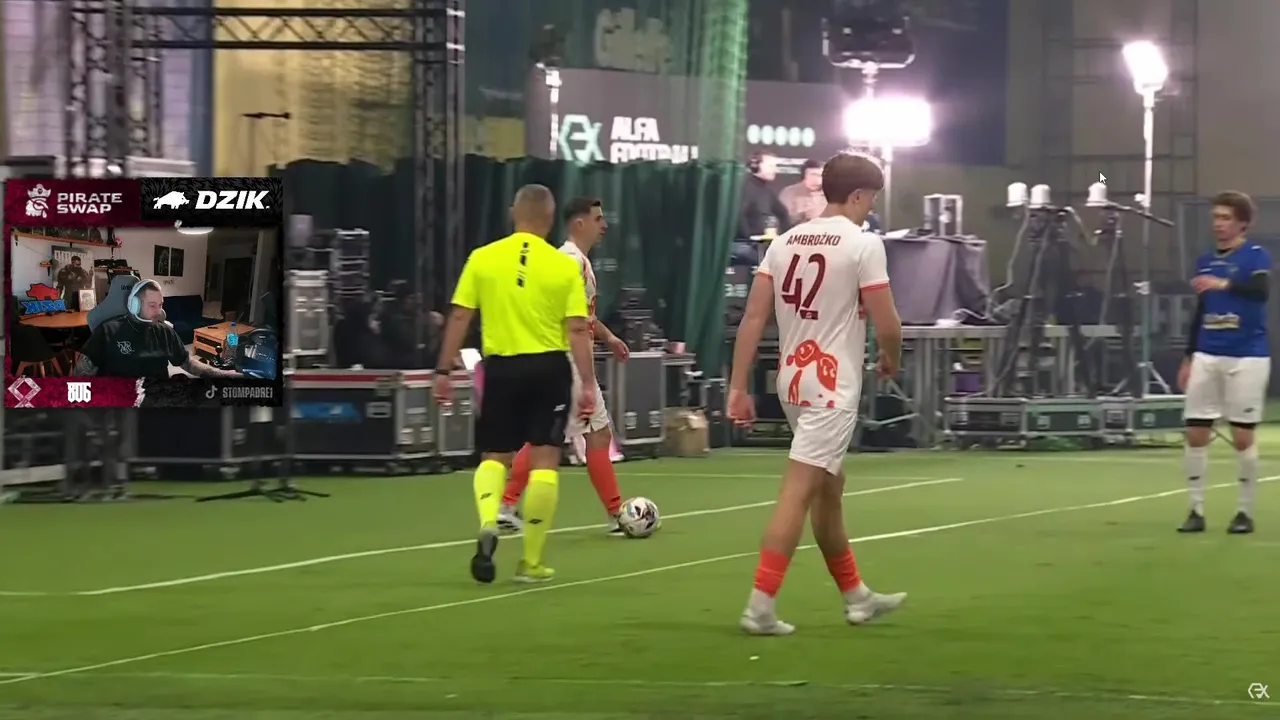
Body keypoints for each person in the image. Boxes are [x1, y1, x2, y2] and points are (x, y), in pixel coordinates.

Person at [726, 153, 907, 635]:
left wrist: (738, 385)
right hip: (832, 385)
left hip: (792, 380)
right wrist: (891, 357)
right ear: (857, 196)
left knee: (829, 487)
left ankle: (856, 596)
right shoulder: (863, 244)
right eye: (871, 199)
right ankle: (760, 606)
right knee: (800, 491)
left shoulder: (785, 241)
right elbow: (889, 322)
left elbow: (753, 317)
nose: (871, 208)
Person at [433, 184, 596, 585]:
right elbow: (577, 329)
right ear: (550, 219)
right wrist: (588, 383)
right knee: (544, 460)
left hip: (501, 368)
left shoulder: (483, 258)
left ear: (513, 213)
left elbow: (459, 315)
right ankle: (531, 562)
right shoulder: (563, 266)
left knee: (495, 455)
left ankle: (489, 520)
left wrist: (443, 371)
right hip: (548, 368)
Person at [497, 197, 631, 536]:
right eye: (598, 219)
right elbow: (570, 320)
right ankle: (507, 505)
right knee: (579, 436)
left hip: (556, 357)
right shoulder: (571, 261)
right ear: (578, 223)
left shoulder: (571, 260)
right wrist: (585, 376)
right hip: (567, 360)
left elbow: (582, 316)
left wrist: (608, 337)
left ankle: (508, 505)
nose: (604, 225)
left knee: (571, 435)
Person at [1178, 190, 1270, 535]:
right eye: (1215, 217)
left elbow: (1261, 292)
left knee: (1242, 436)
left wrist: (1224, 283)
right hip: (1207, 353)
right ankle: (1196, 510)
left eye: (1226, 218)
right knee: (1196, 432)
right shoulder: (1204, 260)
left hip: (1247, 355)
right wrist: (1189, 356)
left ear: (1242, 223)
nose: (1218, 224)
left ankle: (1244, 512)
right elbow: (1201, 310)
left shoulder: (1256, 256)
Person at [72, 279, 242, 379]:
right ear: (134, 305)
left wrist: (222, 374)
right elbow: (81, 374)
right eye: (152, 305)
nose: (158, 311)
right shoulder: (108, 331)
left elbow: (187, 362)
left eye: (160, 305)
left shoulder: (165, 332)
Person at [778, 159, 826, 224]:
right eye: (813, 175)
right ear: (803, 175)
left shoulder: (832, 193)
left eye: (821, 176)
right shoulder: (789, 192)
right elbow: (782, 220)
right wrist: (803, 215)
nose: (817, 180)